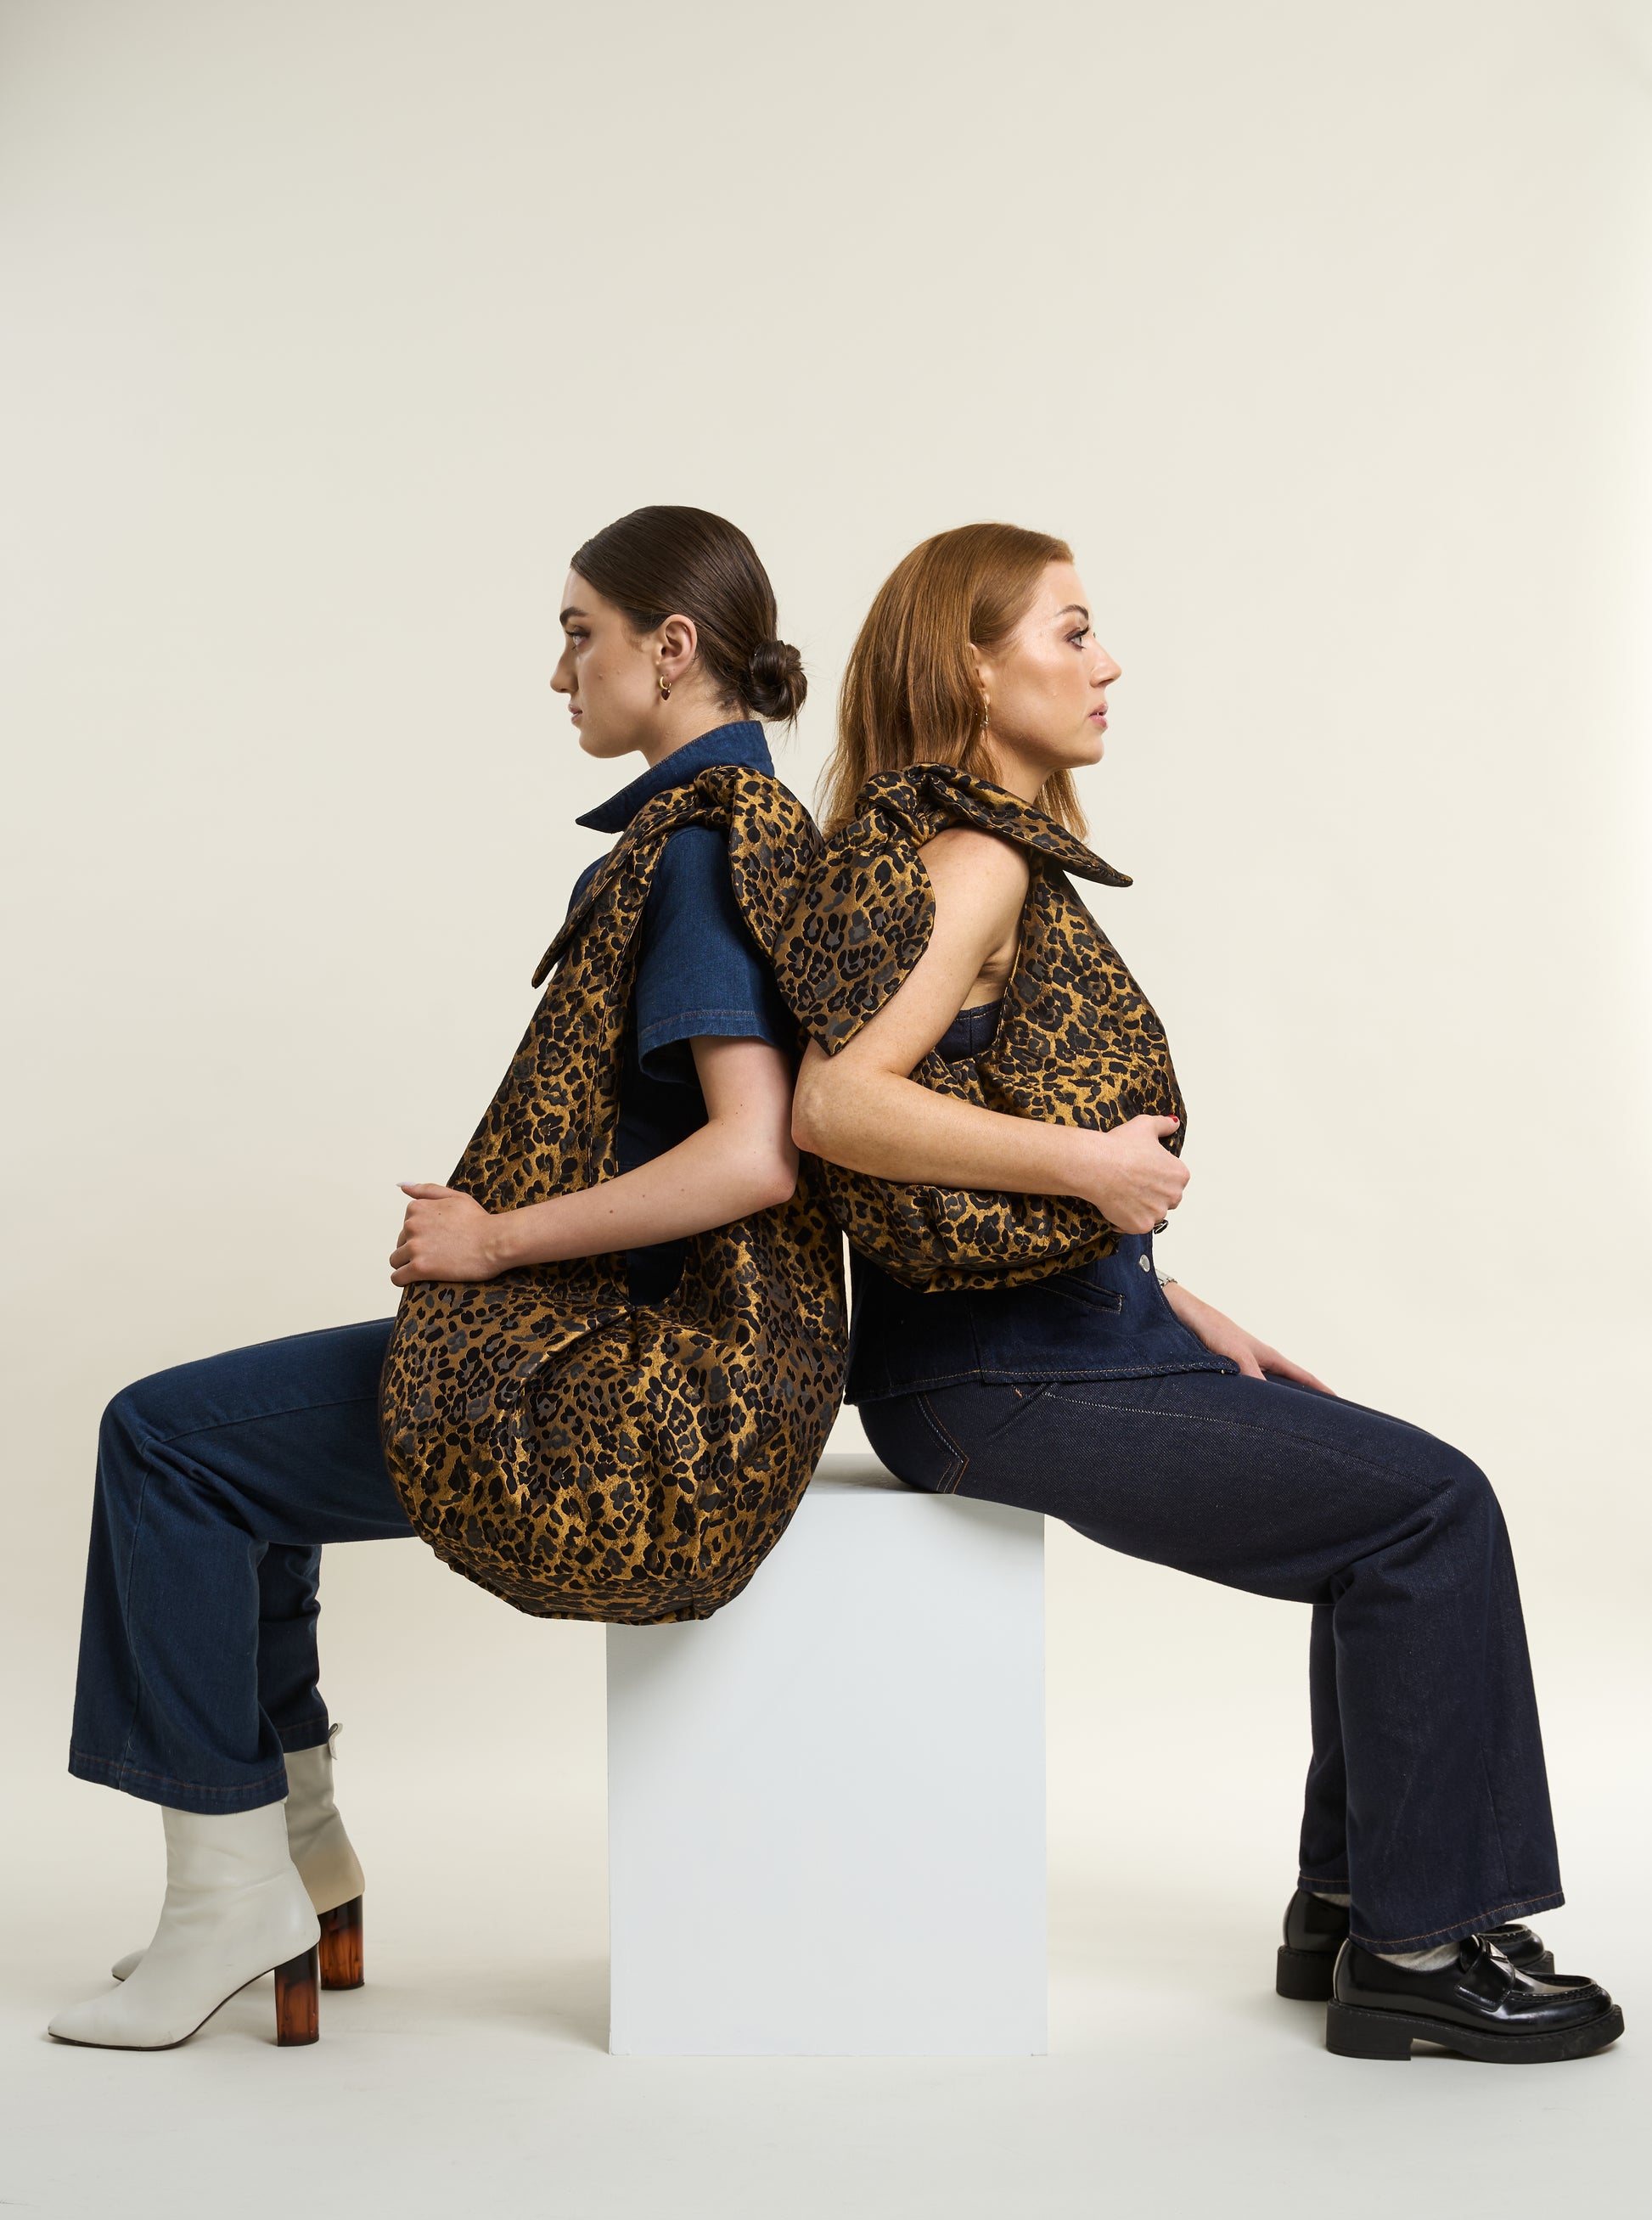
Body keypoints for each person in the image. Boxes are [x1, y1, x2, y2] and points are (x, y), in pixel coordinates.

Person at [788, 522, 1622, 2065]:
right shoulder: (971, 859)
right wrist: (1092, 1174)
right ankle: (1416, 1955)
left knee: (1385, 1512)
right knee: (1431, 1513)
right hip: (997, 1372)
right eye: (1069, 632)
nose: (1106, 663)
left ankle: (1358, 1905)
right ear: (970, 667)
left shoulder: (978, 849)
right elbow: (837, 1107)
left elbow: (972, 1124)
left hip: (1054, 1341)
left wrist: (1167, 1303)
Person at [52, 506, 820, 2052]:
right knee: (229, 1463)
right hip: (669, 1357)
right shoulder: (746, 826)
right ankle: (300, 1865)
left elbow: (753, 1156)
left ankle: (230, 1897)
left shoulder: (703, 850)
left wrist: (493, 1242)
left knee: (167, 1445)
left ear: (672, 646)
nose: (559, 672)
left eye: (580, 634)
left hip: (643, 1390)